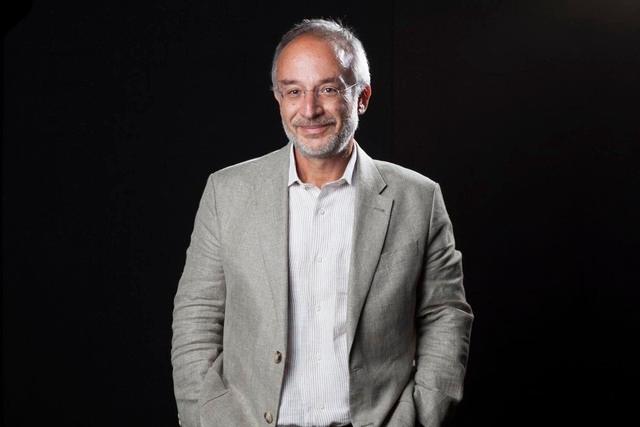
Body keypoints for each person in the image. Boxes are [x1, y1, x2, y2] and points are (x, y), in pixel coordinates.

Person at [171, 18, 473, 427]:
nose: (309, 109)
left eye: (328, 89)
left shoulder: (418, 198)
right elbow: (197, 316)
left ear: (362, 97)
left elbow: (444, 314)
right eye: (294, 91)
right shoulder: (227, 193)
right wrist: (203, 416)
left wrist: (423, 413)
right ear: (278, 98)